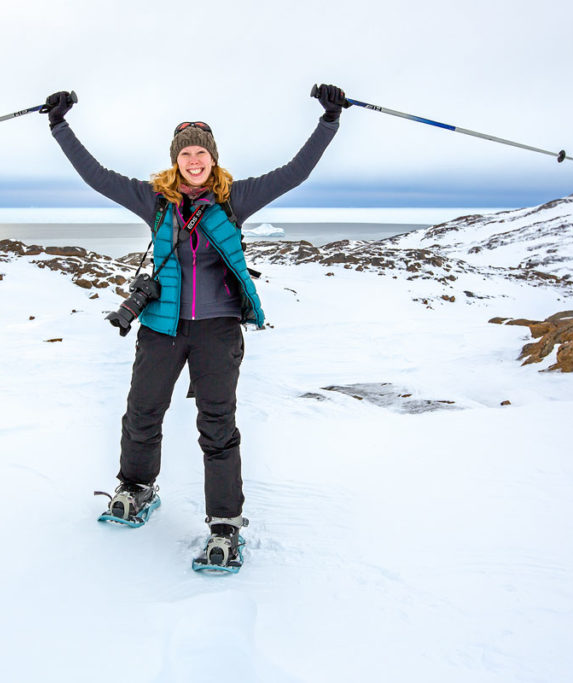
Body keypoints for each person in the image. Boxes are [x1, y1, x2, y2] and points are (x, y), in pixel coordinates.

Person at [45, 84, 348, 570]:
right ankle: (136, 489)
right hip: (162, 328)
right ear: (176, 159)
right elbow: (96, 176)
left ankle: (225, 525)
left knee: (217, 426)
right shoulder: (155, 201)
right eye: (185, 153)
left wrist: (328, 121)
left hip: (218, 331)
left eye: (200, 153)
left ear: (212, 159)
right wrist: (60, 126)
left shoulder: (235, 200)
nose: (193, 160)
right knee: (143, 412)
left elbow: (296, 173)